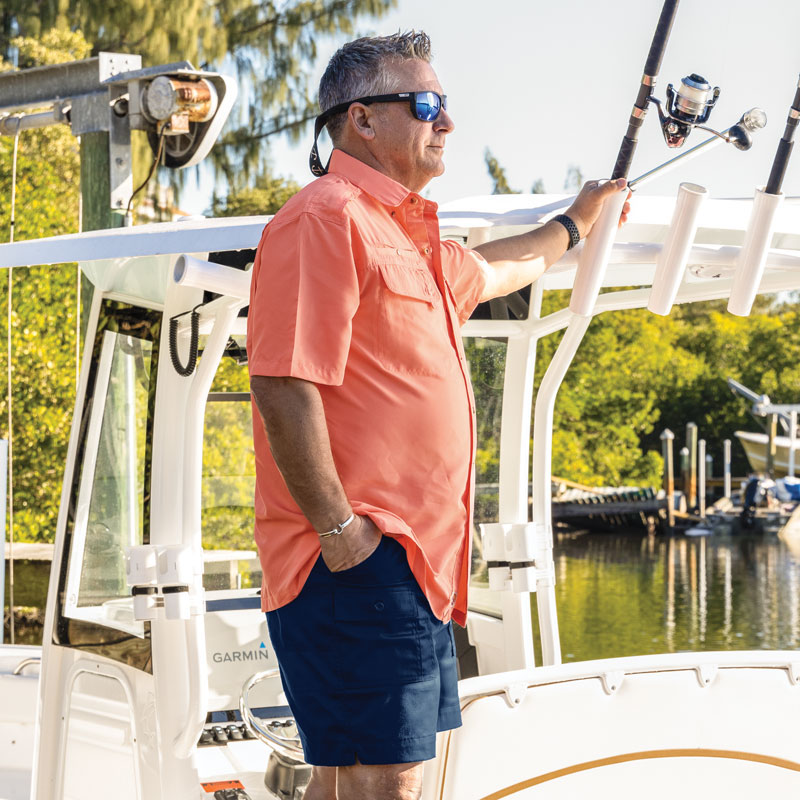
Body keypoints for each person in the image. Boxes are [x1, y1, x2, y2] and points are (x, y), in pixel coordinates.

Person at [248, 30, 630, 800]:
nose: (447, 123)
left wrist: (579, 221)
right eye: (427, 105)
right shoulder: (325, 217)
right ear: (361, 120)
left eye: (446, 106)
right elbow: (283, 383)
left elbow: (503, 266)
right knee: (389, 780)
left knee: (349, 775)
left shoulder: (410, 241)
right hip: (359, 556)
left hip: (404, 565)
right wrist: (341, 535)